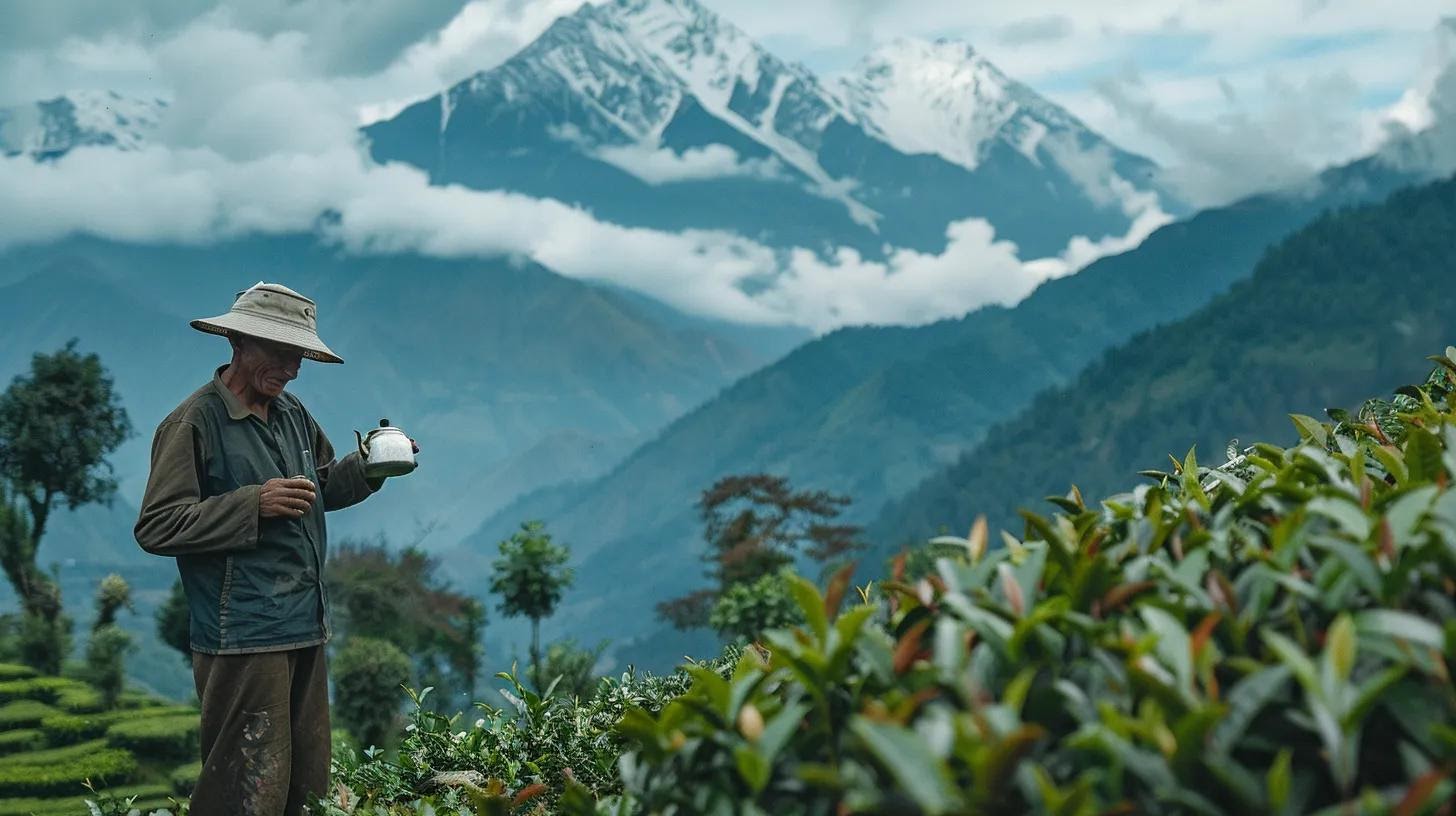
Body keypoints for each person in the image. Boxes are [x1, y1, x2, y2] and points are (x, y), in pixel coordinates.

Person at [134, 282, 417, 815]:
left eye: (299, 356)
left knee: (305, 781)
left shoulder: (291, 414)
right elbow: (157, 525)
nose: (293, 369)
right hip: (242, 634)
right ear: (239, 343)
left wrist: (371, 468)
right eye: (282, 354)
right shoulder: (194, 423)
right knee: (244, 786)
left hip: (304, 623)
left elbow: (322, 486)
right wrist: (251, 505)